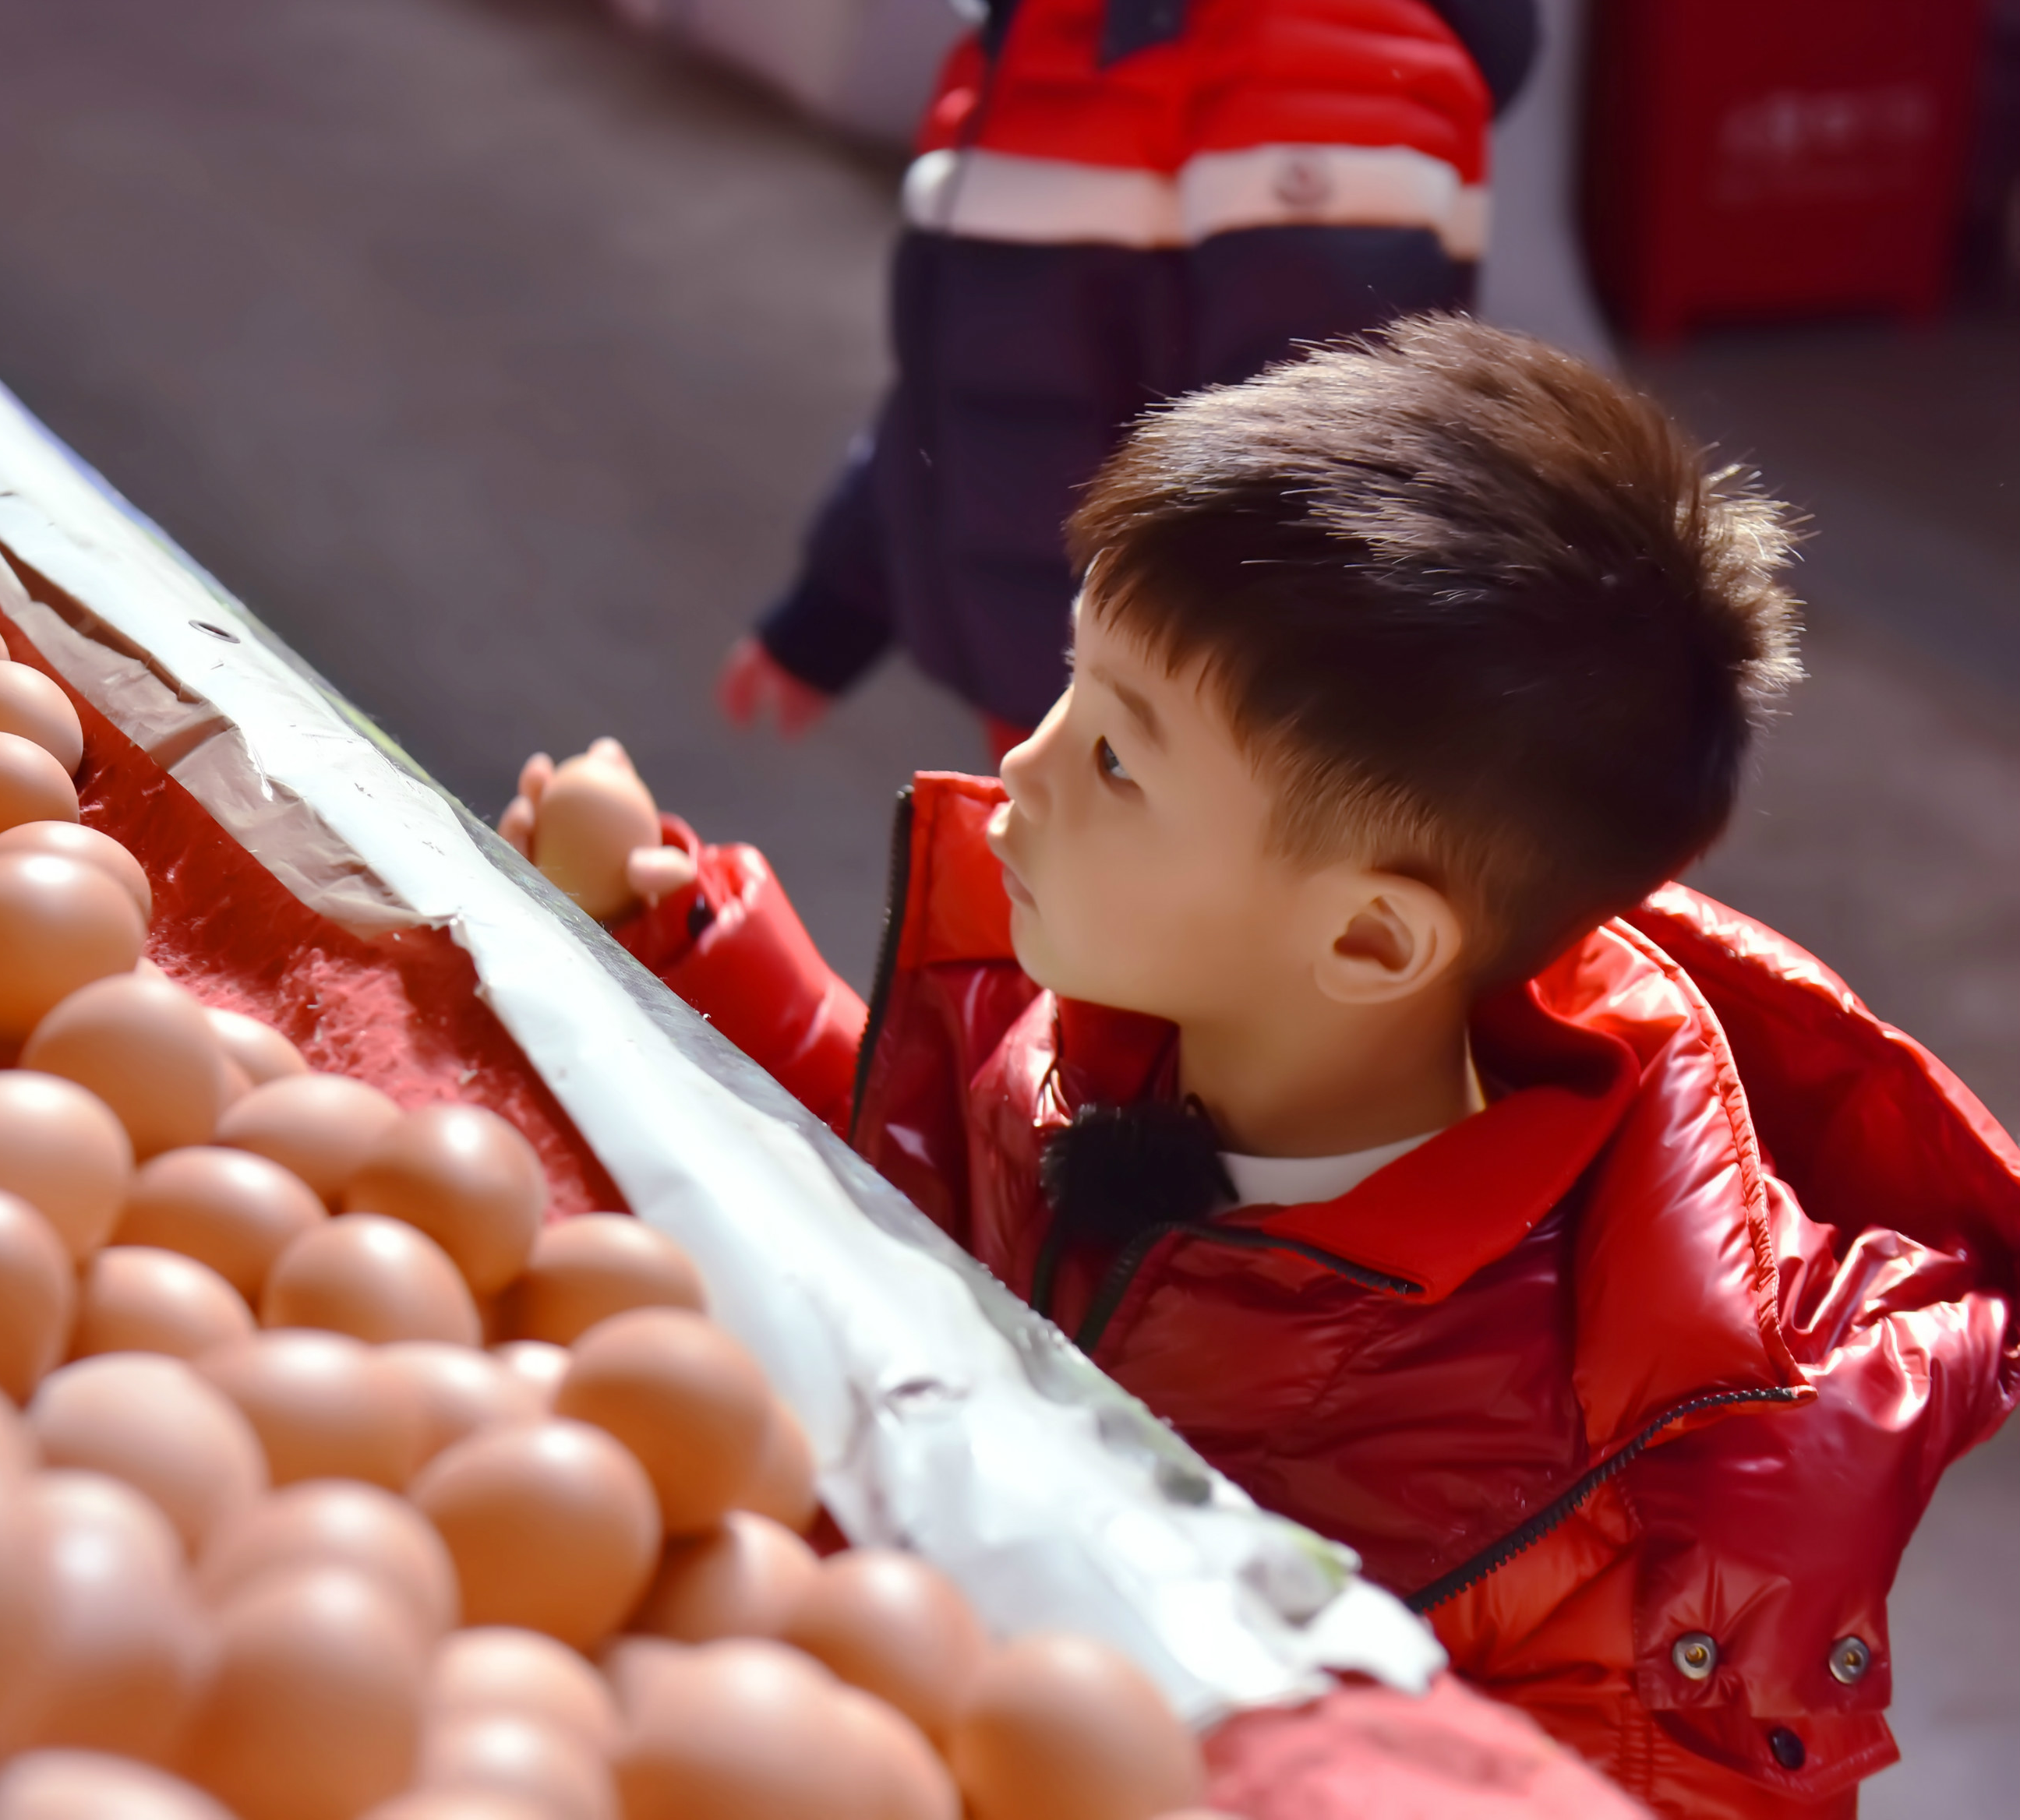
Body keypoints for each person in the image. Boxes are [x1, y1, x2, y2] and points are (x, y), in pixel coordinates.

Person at [505, 318, 2020, 1818]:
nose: (1018, 769)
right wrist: (681, 932)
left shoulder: (1640, 1513)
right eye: (1069, 686)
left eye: (1116, 759)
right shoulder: (1125, 1042)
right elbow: (950, 1222)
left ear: (1369, 943)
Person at [721, 0, 1541, 763]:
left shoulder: (1326, 64)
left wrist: (1163, 738)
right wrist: (838, 600)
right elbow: (966, 384)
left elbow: (1302, 481)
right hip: (1066, 706)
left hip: (1176, 752)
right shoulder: (1031, 41)